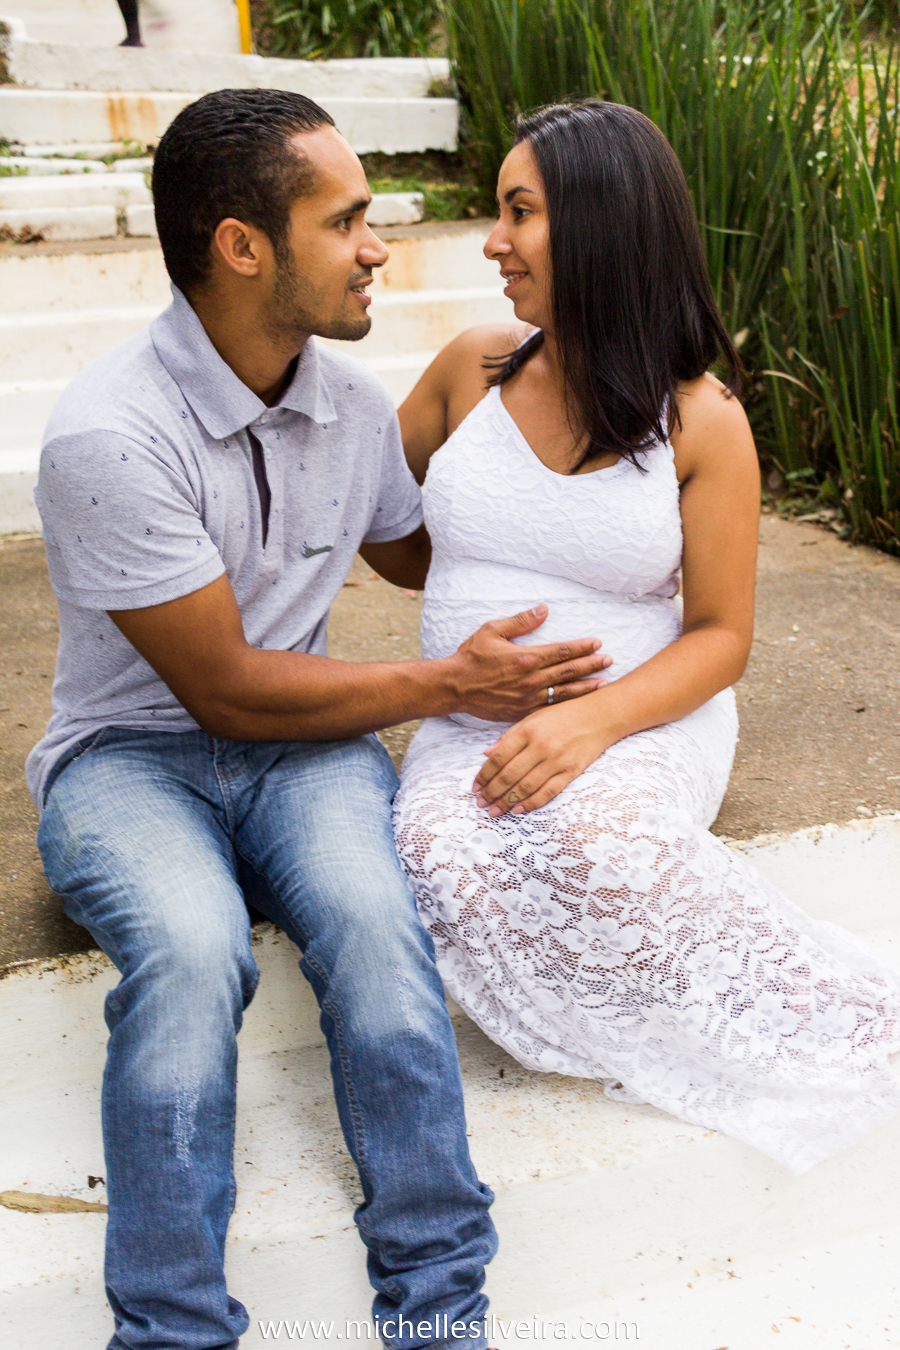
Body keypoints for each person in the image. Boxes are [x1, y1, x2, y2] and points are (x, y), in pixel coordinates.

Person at [27, 88, 613, 1350]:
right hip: (131, 766)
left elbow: (421, 547)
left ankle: (439, 1308)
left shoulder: (347, 409)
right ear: (243, 247)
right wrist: (453, 684)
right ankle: (173, 1333)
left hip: (308, 762)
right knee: (192, 955)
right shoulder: (107, 434)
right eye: (344, 219)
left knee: (379, 935)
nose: (376, 245)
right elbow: (225, 686)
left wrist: (604, 417)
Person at [392, 99, 900, 1177]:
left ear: (602, 224)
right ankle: (601, 1037)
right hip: (463, 718)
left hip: (649, 715)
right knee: (440, 854)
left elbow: (721, 637)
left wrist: (589, 727)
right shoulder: (467, 370)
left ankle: (856, 1032)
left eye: (519, 213)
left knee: (595, 845)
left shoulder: (702, 420)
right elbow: (384, 531)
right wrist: (453, 661)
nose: (492, 241)